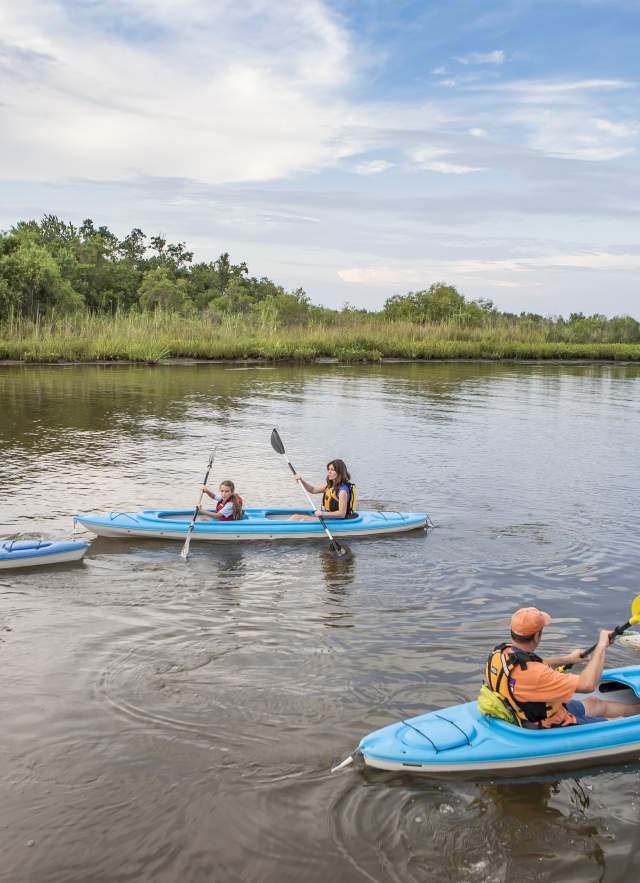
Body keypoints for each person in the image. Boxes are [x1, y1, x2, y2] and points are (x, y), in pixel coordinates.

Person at [485, 606, 639, 728]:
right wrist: (601, 647)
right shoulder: (538, 675)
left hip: (527, 710)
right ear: (537, 636)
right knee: (615, 722)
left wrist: (568, 658)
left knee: (594, 702)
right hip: (547, 724)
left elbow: (531, 666)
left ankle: (637, 709)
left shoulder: (500, 654)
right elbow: (588, 684)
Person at [288, 459, 356, 521]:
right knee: (295, 517)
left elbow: (342, 514)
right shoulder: (329, 486)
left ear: (340, 472)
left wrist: (323, 514)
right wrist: (301, 481)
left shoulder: (342, 491)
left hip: (336, 521)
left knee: (302, 519)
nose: (329, 472)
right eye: (328, 469)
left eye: (332, 470)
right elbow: (313, 489)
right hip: (329, 517)